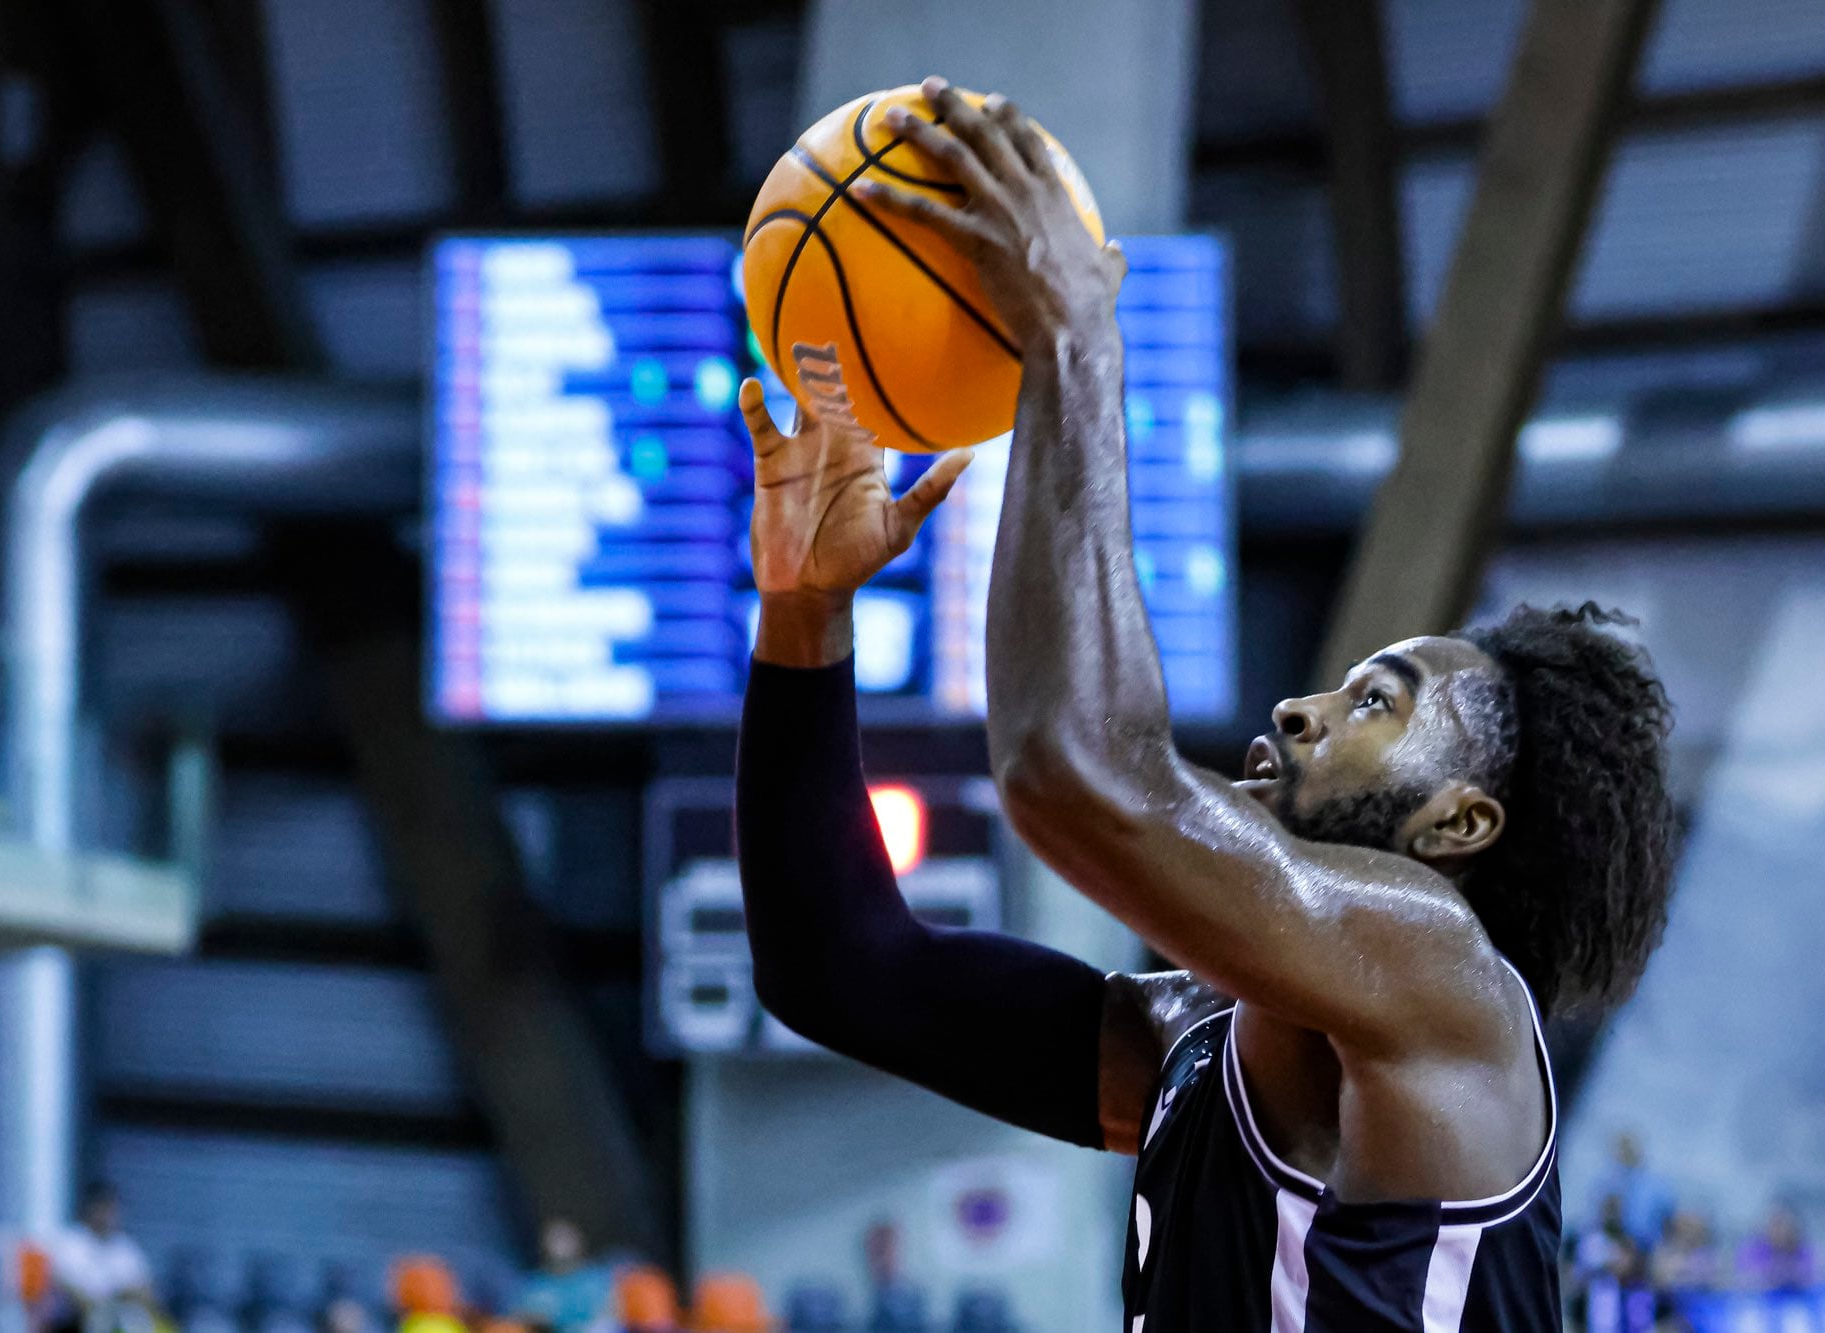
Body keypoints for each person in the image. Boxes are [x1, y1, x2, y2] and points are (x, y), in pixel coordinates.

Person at [734, 77, 1679, 1333]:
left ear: (1457, 827)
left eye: (1372, 702)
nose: (1298, 709)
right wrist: (804, 616)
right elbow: (837, 967)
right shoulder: (1192, 1036)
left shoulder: (1441, 978)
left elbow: (1079, 773)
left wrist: (1073, 344)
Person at [47, 1182, 156, 1333]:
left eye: (111, 1209)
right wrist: (96, 1307)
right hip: (75, 1320)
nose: (107, 1215)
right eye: (102, 1208)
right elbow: (62, 1283)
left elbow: (145, 1291)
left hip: (117, 1316)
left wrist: (123, 1296)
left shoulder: (125, 1248)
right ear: (90, 1208)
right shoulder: (71, 1242)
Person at [1593, 1131, 1675, 1252]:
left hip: (1648, 1246)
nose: (1625, 1153)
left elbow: (1668, 1216)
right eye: (1621, 1149)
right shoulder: (1607, 1184)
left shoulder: (1657, 1185)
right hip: (1618, 1245)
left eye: (1628, 1148)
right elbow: (1602, 1217)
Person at [1735, 1201, 1816, 1293]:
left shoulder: (1802, 1250)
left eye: (1782, 1224)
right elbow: (1743, 1279)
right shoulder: (1754, 1251)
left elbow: (1813, 1274)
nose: (1778, 1230)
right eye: (1775, 1224)